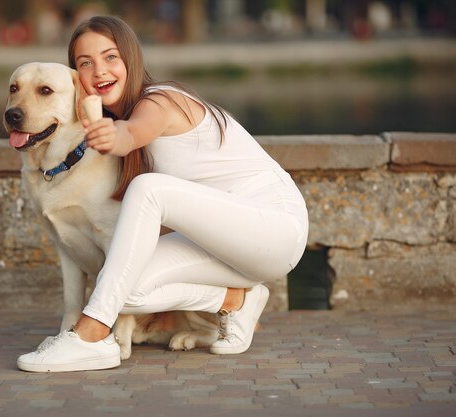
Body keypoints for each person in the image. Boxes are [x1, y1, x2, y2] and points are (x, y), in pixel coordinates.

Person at [17, 15, 309, 373]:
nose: (99, 71)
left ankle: (91, 336)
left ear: (131, 60)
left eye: (111, 58)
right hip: (221, 245)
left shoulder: (160, 101)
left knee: (147, 190)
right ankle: (236, 300)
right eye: (85, 63)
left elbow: (133, 133)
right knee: (124, 285)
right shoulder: (114, 113)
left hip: (274, 229)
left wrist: (114, 137)